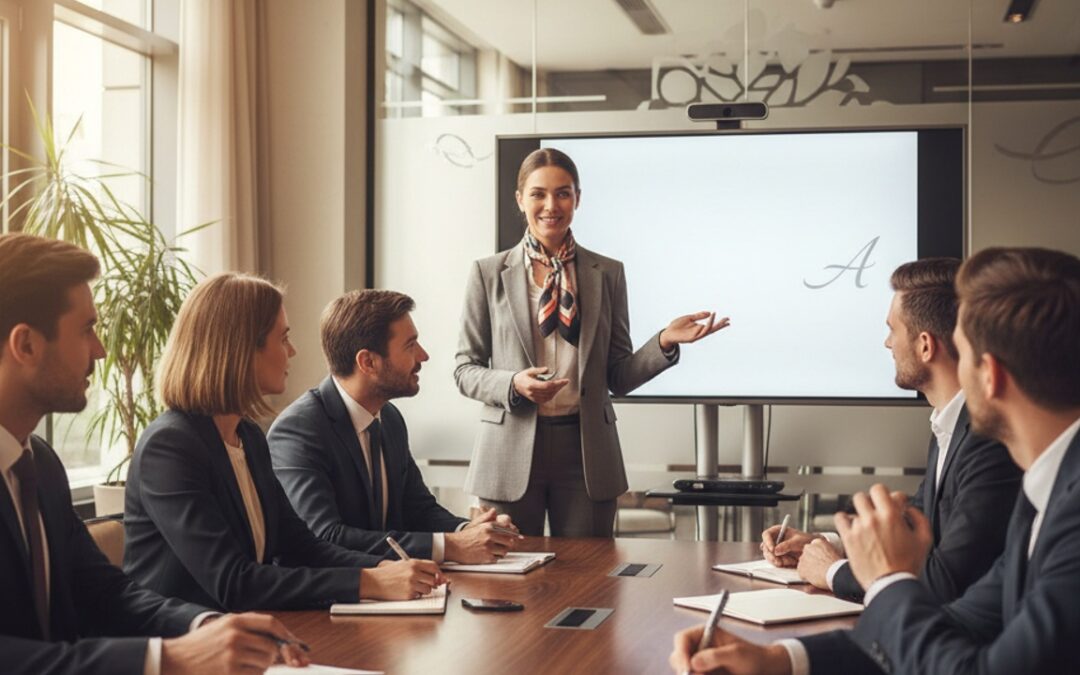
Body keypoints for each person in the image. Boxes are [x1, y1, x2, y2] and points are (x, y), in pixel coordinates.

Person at [671, 247, 1080, 675]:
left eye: (963, 353)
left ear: (989, 375)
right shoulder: (1046, 493)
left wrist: (883, 580)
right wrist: (778, 659)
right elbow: (959, 625)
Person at [0, 233, 306, 675]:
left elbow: (105, 593)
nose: (101, 350)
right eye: (87, 329)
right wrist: (168, 657)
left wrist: (209, 625)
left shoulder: (40, 464)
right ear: (25, 345)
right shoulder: (171, 442)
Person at [755, 258, 1022, 673]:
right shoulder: (948, 421)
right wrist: (834, 542)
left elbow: (946, 581)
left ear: (925, 345)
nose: (886, 343)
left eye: (891, 329)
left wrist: (835, 571)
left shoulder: (988, 441)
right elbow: (918, 524)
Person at [124, 273, 445, 612]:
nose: (291, 351)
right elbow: (234, 581)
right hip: (184, 647)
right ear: (241, 349)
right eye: (283, 338)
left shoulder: (247, 436)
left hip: (245, 633)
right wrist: (370, 582)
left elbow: (301, 546)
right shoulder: (170, 447)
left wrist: (383, 569)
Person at [454, 147, 729, 537]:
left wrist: (664, 341)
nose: (552, 205)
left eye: (563, 193)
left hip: (584, 452)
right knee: (506, 581)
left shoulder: (607, 273)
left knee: (591, 579)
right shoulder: (488, 273)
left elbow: (617, 376)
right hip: (509, 450)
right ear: (520, 200)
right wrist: (513, 384)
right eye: (538, 194)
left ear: (577, 199)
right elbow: (465, 369)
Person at [269, 289, 521, 562]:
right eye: (410, 345)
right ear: (368, 362)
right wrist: (452, 546)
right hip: (333, 598)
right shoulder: (299, 431)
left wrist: (470, 530)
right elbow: (326, 535)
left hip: (394, 591)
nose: (423, 356)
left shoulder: (389, 419)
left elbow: (419, 510)